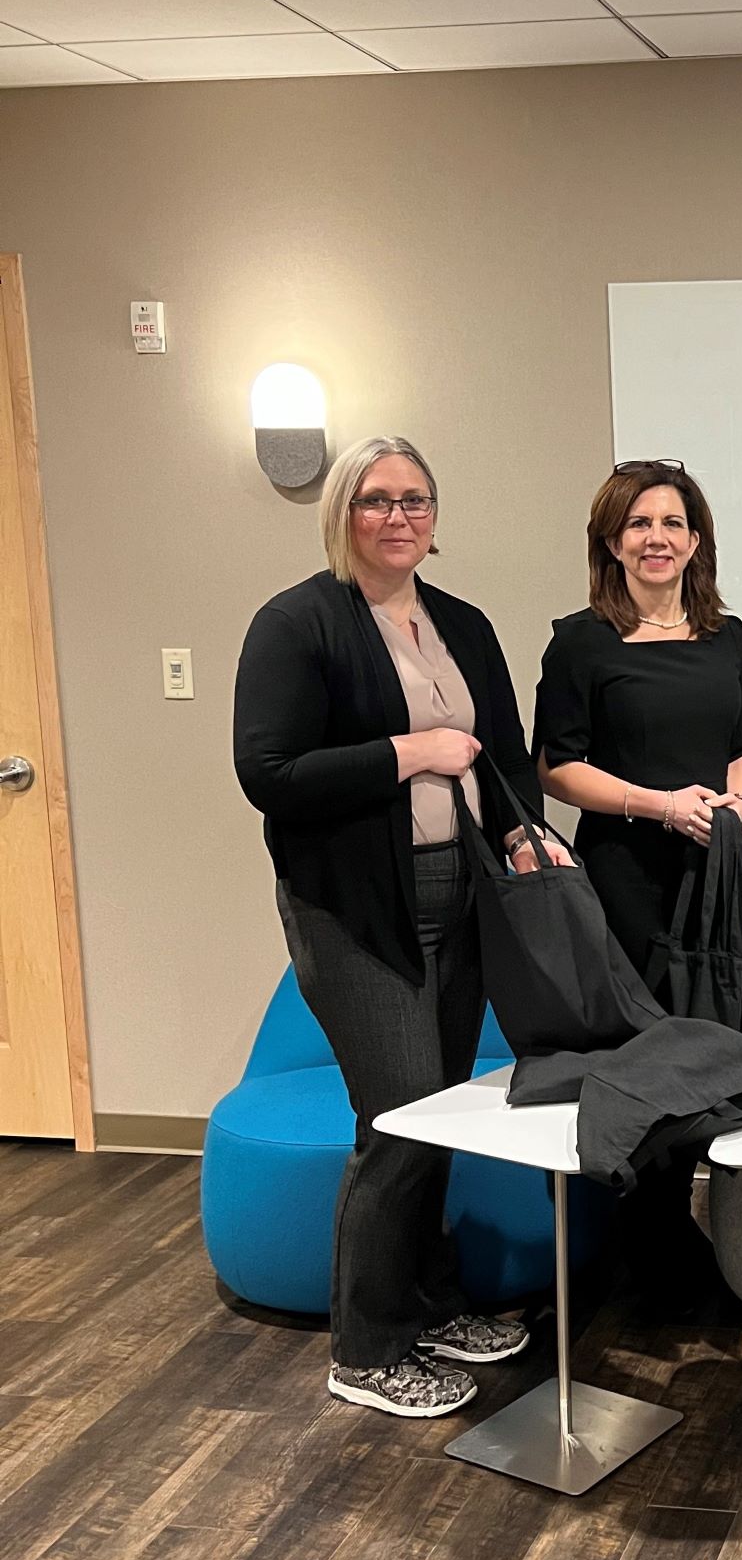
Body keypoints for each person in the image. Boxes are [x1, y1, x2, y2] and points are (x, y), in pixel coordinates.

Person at [234, 435, 572, 1418]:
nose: (397, 517)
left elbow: (501, 755)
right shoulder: (298, 625)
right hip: (353, 910)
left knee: (437, 1111)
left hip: (457, 897)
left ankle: (425, 1300)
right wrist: (408, 751)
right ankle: (367, 1346)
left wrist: (522, 839)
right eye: (376, 500)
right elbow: (271, 775)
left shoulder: (458, 622)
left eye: (414, 500)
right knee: (396, 1117)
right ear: (342, 512)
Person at [533, 458, 742, 1301]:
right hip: (624, 877)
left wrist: (734, 802)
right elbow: (556, 769)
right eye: (638, 524)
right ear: (610, 539)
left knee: (710, 1049)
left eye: (670, 523)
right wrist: (660, 806)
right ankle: (641, 1245)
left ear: (695, 539)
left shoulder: (726, 636)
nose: (655, 538)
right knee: (641, 1056)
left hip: (713, 876)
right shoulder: (579, 640)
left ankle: (677, 1232)